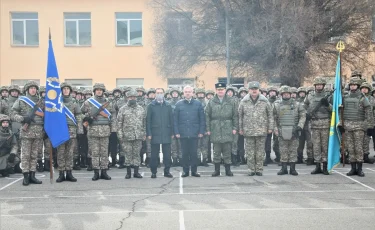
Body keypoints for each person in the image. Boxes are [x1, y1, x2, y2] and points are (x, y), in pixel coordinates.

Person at [11, 80, 44, 186]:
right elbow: (12, 113)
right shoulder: (21, 100)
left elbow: (47, 115)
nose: (33, 90)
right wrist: (22, 118)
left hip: (38, 132)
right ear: (27, 90)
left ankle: (32, 175)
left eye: (35, 88)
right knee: (25, 155)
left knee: (34, 155)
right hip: (26, 131)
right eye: (31, 88)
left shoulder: (41, 102)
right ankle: (25, 176)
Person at [340, 78, 373, 177]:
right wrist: (341, 124)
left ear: (358, 86)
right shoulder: (344, 97)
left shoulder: (363, 98)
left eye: (354, 85)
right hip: (348, 126)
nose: (352, 86)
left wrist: (370, 126)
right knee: (350, 148)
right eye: (351, 85)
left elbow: (369, 112)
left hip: (359, 126)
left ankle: (360, 169)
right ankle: (353, 168)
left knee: (359, 148)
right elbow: (340, 112)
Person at [81, 83, 115, 181]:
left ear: (103, 91)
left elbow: (113, 117)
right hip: (93, 131)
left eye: (101, 90)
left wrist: (113, 129)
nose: (99, 91)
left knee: (104, 153)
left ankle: (104, 172)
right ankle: (96, 172)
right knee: (95, 153)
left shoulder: (109, 103)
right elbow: (80, 113)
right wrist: (86, 118)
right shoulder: (88, 102)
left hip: (105, 130)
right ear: (94, 91)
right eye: (97, 90)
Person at [239, 81, 274, 176]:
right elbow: (240, 116)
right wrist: (240, 128)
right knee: (250, 152)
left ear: (259, 90)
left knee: (260, 152)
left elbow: (270, 115)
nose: (254, 91)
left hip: (261, 130)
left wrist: (270, 127)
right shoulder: (243, 102)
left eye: (256, 89)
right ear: (249, 90)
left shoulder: (265, 101)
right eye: (252, 89)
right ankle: (251, 169)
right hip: (248, 130)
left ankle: (259, 169)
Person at [206, 83, 238, 177]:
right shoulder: (211, 101)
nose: (220, 91)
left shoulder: (232, 101)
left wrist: (235, 128)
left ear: (225, 90)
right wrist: (208, 129)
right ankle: (217, 170)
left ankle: (228, 170)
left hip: (227, 127)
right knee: (216, 151)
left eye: (222, 89)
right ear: (216, 90)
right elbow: (207, 116)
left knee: (227, 150)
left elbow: (235, 116)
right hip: (215, 128)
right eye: (218, 89)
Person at [174, 85, 206, 177]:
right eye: (186, 92)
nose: (188, 93)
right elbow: (175, 120)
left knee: (194, 153)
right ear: (183, 93)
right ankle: (185, 171)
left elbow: (202, 119)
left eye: (189, 91)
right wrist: (176, 132)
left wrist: (201, 131)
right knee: (184, 153)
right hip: (183, 133)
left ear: (193, 93)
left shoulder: (198, 104)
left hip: (194, 133)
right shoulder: (178, 104)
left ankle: (194, 171)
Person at [274, 86, 306, 176]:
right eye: (284, 94)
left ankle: (293, 169)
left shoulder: (297, 104)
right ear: (281, 95)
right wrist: (275, 129)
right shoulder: (276, 105)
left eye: (288, 93)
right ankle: (283, 169)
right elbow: (273, 118)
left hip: (294, 130)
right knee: (283, 150)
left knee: (293, 150)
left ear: (290, 94)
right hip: (281, 130)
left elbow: (303, 116)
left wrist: (300, 126)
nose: (286, 95)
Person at [55, 82, 83, 183]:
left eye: (67, 89)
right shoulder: (57, 102)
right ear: (61, 90)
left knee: (70, 153)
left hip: (71, 130)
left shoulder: (75, 102)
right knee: (61, 152)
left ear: (70, 91)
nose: (66, 90)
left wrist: (80, 129)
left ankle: (69, 173)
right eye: (64, 89)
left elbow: (79, 116)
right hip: (60, 130)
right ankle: (61, 173)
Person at [304, 77, 331, 175]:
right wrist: (307, 114)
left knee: (325, 146)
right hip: (314, 124)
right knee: (316, 146)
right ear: (315, 86)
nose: (319, 86)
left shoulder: (328, 96)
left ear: (323, 86)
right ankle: (317, 166)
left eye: (320, 85)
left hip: (325, 124)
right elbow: (305, 106)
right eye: (317, 85)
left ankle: (325, 167)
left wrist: (328, 105)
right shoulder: (310, 96)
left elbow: (334, 110)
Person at [117, 90, 145, 179]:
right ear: (127, 98)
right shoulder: (122, 109)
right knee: (128, 154)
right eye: (130, 97)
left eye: (134, 97)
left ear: (136, 98)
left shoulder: (141, 109)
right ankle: (128, 173)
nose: (132, 98)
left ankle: (136, 172)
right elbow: (119, 123)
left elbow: (144, 122)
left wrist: (144, 133)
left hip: (138, 135)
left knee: (137, 154)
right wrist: (120, 135)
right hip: (126, 136)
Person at [146, 88, 174, 178]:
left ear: (164, 94)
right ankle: (153, 172)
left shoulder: (168, 105)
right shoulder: (151, 106)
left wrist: (172, 132)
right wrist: (149, 133)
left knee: (167, 155)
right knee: (154, 155)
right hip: (155, 133)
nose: (159, 94)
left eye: (161, 93)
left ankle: (167, 171)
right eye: (158, 93)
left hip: (166, 132)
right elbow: (148, 121)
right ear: (155, 94)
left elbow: (172, 120)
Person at [7, 84, 22, 174]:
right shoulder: (4, 102)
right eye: (12, 91)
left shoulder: (21, 101)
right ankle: (8, 166)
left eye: (16, 91)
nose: (14, 93)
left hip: (18, 127)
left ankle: (17, 166)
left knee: (19, 147)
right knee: (9, 148)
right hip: (8, 127)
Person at [359, 82, 375, 164]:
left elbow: (372, 112)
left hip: (368, 122)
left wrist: (371, 125)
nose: (364, 89)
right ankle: (358, 156)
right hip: (358, 121)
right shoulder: (358, 97)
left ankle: (365, 156)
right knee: (358, 140)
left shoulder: (372, 99)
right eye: (362, 88)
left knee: (366, 140)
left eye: (366, 88)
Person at [264, 86, 279, 166]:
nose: (272, 93)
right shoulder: (266, 102)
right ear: (268, 93)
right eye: (271, 92)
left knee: (278, 141)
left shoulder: (279, 101)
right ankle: (267, 157)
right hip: (268, 123)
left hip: (277, 123)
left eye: (274, 91)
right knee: (267, 141)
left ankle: (278, 156)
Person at [169, 88, 182, 167]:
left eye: (176, 93)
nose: (174, 95)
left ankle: (181, 160)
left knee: (181, 146)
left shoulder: (181, 103)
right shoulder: (168, 104)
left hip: (180, 127)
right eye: (173, 93)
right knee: (173, 146)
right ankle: (174, 160)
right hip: (172, 126)